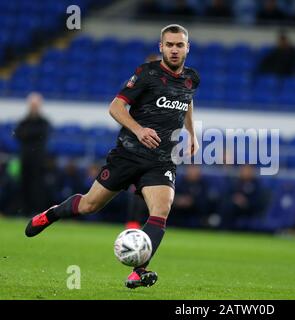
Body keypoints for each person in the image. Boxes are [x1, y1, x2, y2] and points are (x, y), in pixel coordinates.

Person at [25, 24, 200, 289]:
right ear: (160, 47)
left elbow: (186, 100)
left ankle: (138, 271)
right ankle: (51, 214)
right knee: (89, 206)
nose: (174, 50)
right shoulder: (146, 74)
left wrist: (192, 133)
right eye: (169, 45)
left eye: (179, 45)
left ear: (187, 47)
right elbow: (116, 107)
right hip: (128, 154)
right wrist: (139, 130)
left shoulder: (191, 78)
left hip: (161, 159)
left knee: (161, 210)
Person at [15, 92, 51, 215]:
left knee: (37, 186)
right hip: (25, 158)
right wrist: (31, 134)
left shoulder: (44, 122)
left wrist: (28, 134)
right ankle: (23, 210)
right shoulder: (23, 121)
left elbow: (40, 135)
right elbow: (18, 134)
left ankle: (37, 211)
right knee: (24, 184)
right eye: (32, 105)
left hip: (38, 160)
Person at [219, 164, 265, 230]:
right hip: (235, 207)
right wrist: (235, 199)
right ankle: (223, 226)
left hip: (249, 209)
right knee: (227, 205)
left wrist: (245, 202)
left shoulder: (256, 185)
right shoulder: (237, 182)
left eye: (248, 170)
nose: (245, 172)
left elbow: (258, 201)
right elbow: (229, 195)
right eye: (244, 170)